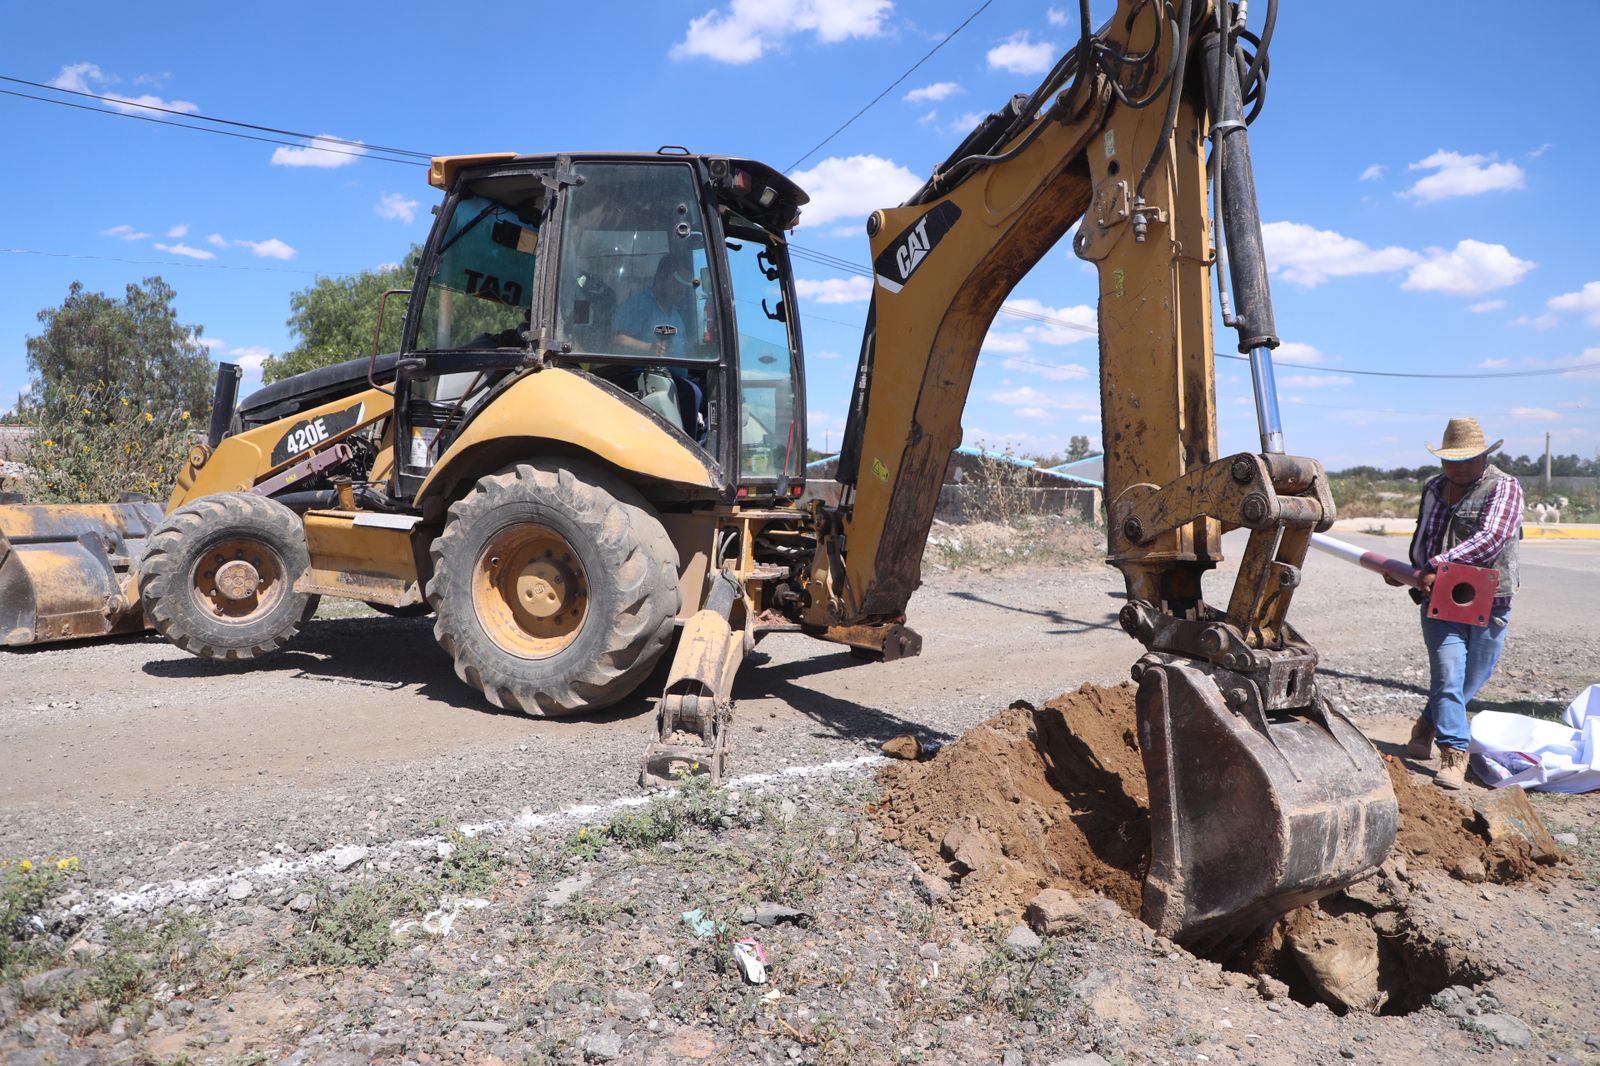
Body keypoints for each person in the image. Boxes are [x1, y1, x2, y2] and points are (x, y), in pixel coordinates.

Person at [1391, 417, 1523, 789]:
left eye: (1468, 459)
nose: (1460, 467)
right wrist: (1412, 568)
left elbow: (1491, 539)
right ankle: (1454, 752)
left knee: (1471, 678)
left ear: (1484, 457)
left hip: (1491, 600)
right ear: (1441, 460)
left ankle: (1429, 722)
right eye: (1452, 460)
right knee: (1448, 674)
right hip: (1438, 597)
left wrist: (1434, 566)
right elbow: (1426, 535)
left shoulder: (1504, 487)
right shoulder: (1434, 487)